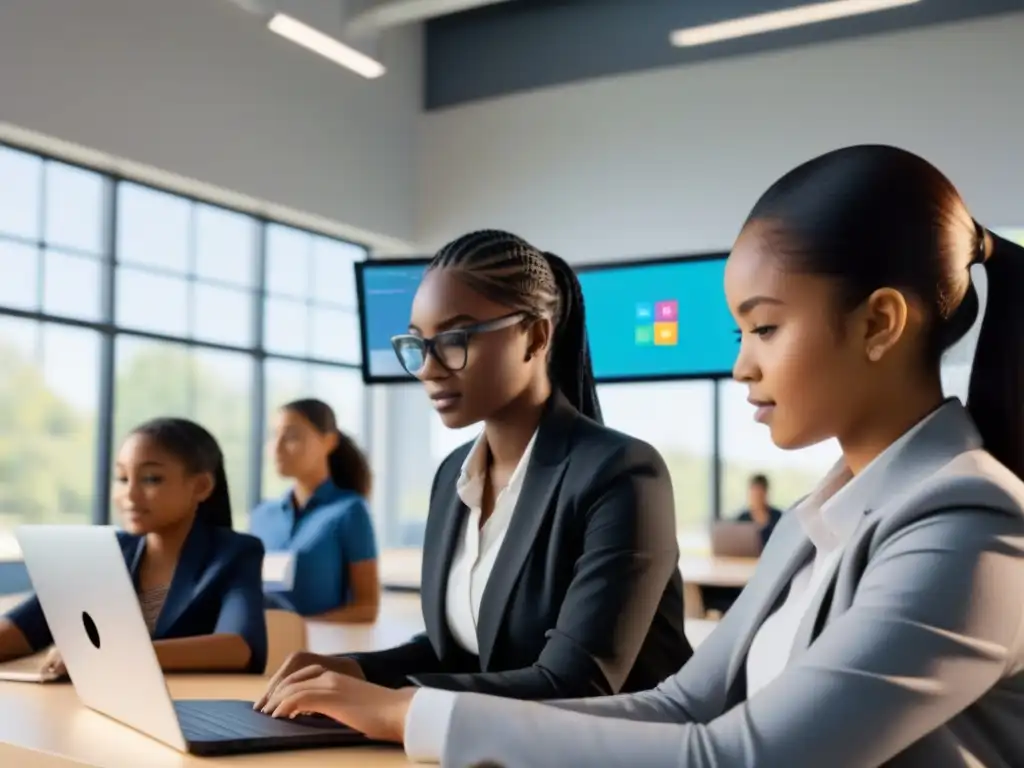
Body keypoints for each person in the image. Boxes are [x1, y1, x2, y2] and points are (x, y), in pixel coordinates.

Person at [254, 147, 1024, 767]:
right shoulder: (814, 520)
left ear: (880, 323)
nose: (742, 368)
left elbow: (740, 753)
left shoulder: (967, 522)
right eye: (739, 335)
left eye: (765, 329)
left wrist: (411, 713)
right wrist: (399, 708)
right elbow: (682, 703)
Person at [257, 229, 690, 723]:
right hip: (495, 746)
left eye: (456, 339)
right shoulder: (452, 477)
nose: (429, 368)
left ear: (536, 335)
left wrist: (393, 704)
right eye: (418, 344)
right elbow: (460, 652)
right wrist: (355, 670)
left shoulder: (623, 474)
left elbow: (576, 683)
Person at [0, 418, 267, 675]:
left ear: (201, 486)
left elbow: (239, 648)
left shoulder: (235, 553)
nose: (130, 494)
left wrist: (110, 655)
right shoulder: (102, 553)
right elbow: (24, 627)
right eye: (122, 478)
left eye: (151, 478)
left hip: (189, 710)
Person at [250, 399, 379, 622]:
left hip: (321, 648)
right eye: (274, 435)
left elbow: (366, 607)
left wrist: (299, 629)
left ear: (328, 442)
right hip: (260, 647)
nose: (277, 447)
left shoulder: (349, 511)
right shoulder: (261, 515)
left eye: (291, 436)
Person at [736, 473, 783, 546]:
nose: (756, 498)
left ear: (766, 493)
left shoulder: (778, 517)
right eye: (753, 494)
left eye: (759, 494)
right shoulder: (742, 519)